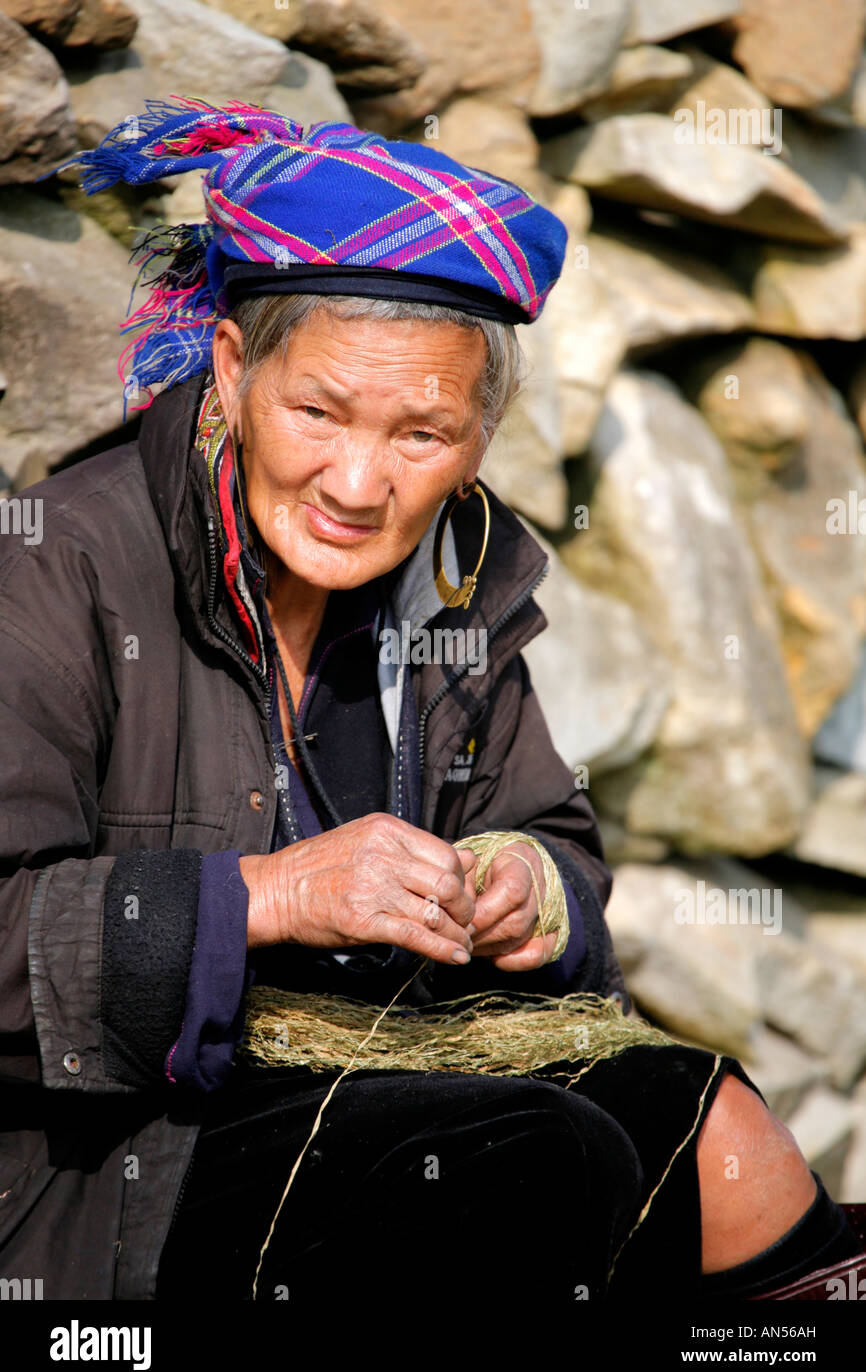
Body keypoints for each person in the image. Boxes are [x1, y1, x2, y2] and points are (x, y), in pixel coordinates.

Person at [0, 98, 860, 1308]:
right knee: (527, 1163)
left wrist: (526, 889)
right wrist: (272, 894)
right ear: (236, 372)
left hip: (373, 1087)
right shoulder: (59, 567)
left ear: (479, 435)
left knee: (707, 1127)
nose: (357, 483)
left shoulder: (449, 591)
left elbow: (559, 842)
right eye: (316, 413)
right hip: (114, 1162)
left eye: (421, 431)